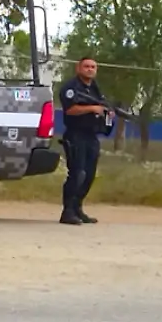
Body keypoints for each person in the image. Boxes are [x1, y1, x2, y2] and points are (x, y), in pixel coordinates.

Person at [58, 56, 106, 225]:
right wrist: (92, 108)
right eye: (86, 66)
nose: (90, 69)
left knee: (89, 175)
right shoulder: (70, 88)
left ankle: (78, 208)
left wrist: (106, 113)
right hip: (75, 134)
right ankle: (68, 211)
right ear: (79, 68)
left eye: (93, 66)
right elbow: (70, 110)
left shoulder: (95, 88)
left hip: (91, 135)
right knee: (77, 173)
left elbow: (102, 104)